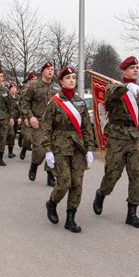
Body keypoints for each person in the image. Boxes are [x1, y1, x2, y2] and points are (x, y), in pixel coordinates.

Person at [92, 56, 139, 229]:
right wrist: (126, 87)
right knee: (112, 175)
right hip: (117, 139)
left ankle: (132, 213)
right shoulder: (113, 87)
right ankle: (101, 193)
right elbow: (111, 96)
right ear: (123, 71)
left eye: (137, 67)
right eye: (132, 67)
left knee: (137, 175)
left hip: (134, 139)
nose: (136, 70)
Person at [42, 67, 96, 233]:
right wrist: (48, 150)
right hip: (60, 148)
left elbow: (86, 126)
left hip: (78, 148)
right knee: (65, 182)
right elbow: (46, 127)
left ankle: (70, 217)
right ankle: (52, 202)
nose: (72, 80)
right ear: (61, 81)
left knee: (77, 184)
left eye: (74, 77)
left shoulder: (80, 102)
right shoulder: (54, 102)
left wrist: (89, 148)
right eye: (68, 78)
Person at [22, 62, 61, 186]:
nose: (51, 71)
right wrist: (30, 117)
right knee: (40, 150)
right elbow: (25, 103)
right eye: (48, 69)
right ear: (43, 71)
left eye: (52, 69)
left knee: (53, 150)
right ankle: (34, 165)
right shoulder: (34, 86)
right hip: (38, 122)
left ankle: (50, 175)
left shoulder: (57, 88)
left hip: (53, 124)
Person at [18, 72, 37, 160]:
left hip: (38, 117)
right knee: (28, 137)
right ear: (29, 81)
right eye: (32, 79)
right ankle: (24, 149)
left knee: (37, 138)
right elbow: (22, 105)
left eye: (35, 79)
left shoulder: (39, 90)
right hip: (28, 116)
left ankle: (36, 157)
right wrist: (24, 117)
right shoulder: (25, 92)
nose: (34, 81)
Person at [6, 83, 20, 158]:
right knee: (11, 134)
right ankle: (10, 152)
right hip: (9, 119)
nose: (13, 89)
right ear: (9, 89)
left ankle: (11, 150)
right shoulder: (7, 97)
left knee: (14, 134)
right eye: (12, 88)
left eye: (15, 88)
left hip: (16, 119)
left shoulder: (18, 97)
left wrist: (20, 117)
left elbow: (21, 108)